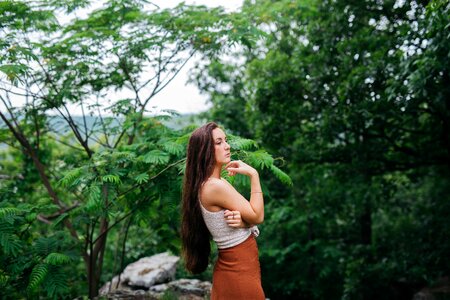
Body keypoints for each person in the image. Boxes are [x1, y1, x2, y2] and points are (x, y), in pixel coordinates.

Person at [181, 122, 265, 300]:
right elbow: (257, 215)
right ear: (205, 150)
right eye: (218, 142)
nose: (227, 146)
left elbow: (249, 217)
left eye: (225, 141)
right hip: (238, 271)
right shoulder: (215, 187)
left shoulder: (212, 184)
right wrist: (254, 175)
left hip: (238, 269)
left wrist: (243, 221)